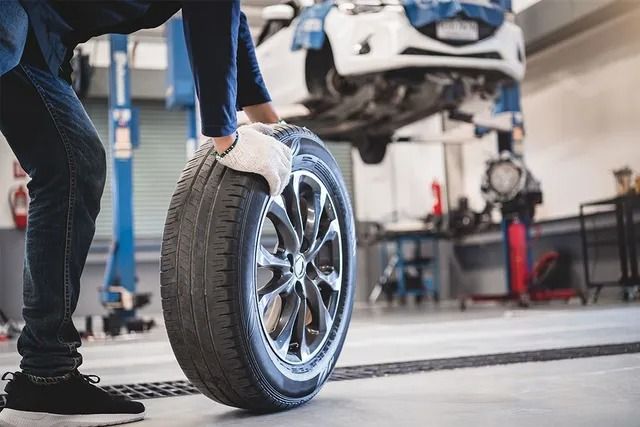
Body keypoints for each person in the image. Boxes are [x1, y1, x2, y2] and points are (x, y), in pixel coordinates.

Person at [0, 1, 291, 426]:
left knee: (72, 164)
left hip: (37, 37)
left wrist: (275, 128)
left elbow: (227, 21)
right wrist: (226, 137)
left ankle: (46, 376)